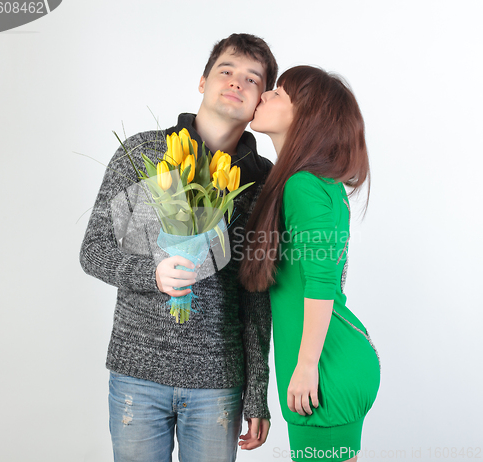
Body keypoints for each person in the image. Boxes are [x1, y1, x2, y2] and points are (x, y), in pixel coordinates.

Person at [80, 33, 277, 462]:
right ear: (202, 81)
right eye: (226, 70)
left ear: (261, 100)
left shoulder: (264, 181)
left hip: (218, 381)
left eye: (252, 79)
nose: (236, 82)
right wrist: (152, 275)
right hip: (137, 372)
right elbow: (93, 249)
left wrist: (258, 392)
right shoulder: (143, 152)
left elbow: (257, 292)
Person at [240, 66, 381, 462]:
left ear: (305, 117)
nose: (264, 94)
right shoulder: (316, 184)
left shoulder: (303, 185)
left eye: (278, 93)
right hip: (331, 359)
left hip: (324, 368)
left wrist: (305, 366)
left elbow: (321, 281)